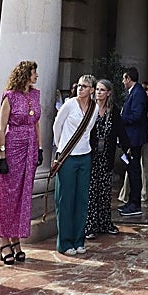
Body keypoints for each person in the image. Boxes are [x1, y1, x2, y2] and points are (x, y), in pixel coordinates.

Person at [0, 60, 41, 264]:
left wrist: (40, 148)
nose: (36, 76)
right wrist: (2, 156)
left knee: (23, 194)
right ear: (25, 74)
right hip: (13, 147)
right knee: (9, 194)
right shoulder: (10, 96)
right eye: (33, 73)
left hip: (31, 147)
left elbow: (37, 122)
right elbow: (1, 128)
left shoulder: (35, 94)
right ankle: (4, 240)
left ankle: (16, 239)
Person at [52, 74, 95, 256]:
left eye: (84, 86)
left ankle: (79, 240)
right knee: (65, 200)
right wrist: (62, 148)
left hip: (85, 155)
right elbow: (57, 126)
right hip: (68, 157)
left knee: (82, 199)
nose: (80, 88)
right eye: (79, 85)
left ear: (91, 90)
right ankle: (65, 242)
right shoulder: (69, 104)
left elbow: (89, 130)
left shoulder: (94, 107)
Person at [85, 78, 130, 238]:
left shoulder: (114, 110)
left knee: (104, 191)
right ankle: (90, 225)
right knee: (91, 190)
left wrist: (128, 149)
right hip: (90, 155)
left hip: (106, 156)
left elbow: (121, 131)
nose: (98, 92)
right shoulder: (89, 108)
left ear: (109, 93)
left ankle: (104, 223)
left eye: (102, 90)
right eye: (97, 89)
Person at [118, 66, 148, 217]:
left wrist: (120, 120)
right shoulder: (133, 93)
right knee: (131, 170)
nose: (123, 82)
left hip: (134, 139)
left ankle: (135, 203)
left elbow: (136, 115)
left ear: (129, 79)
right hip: (130, 138)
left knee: (134, 170)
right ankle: (131, 201)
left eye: (124, 79)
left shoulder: (138, 93)